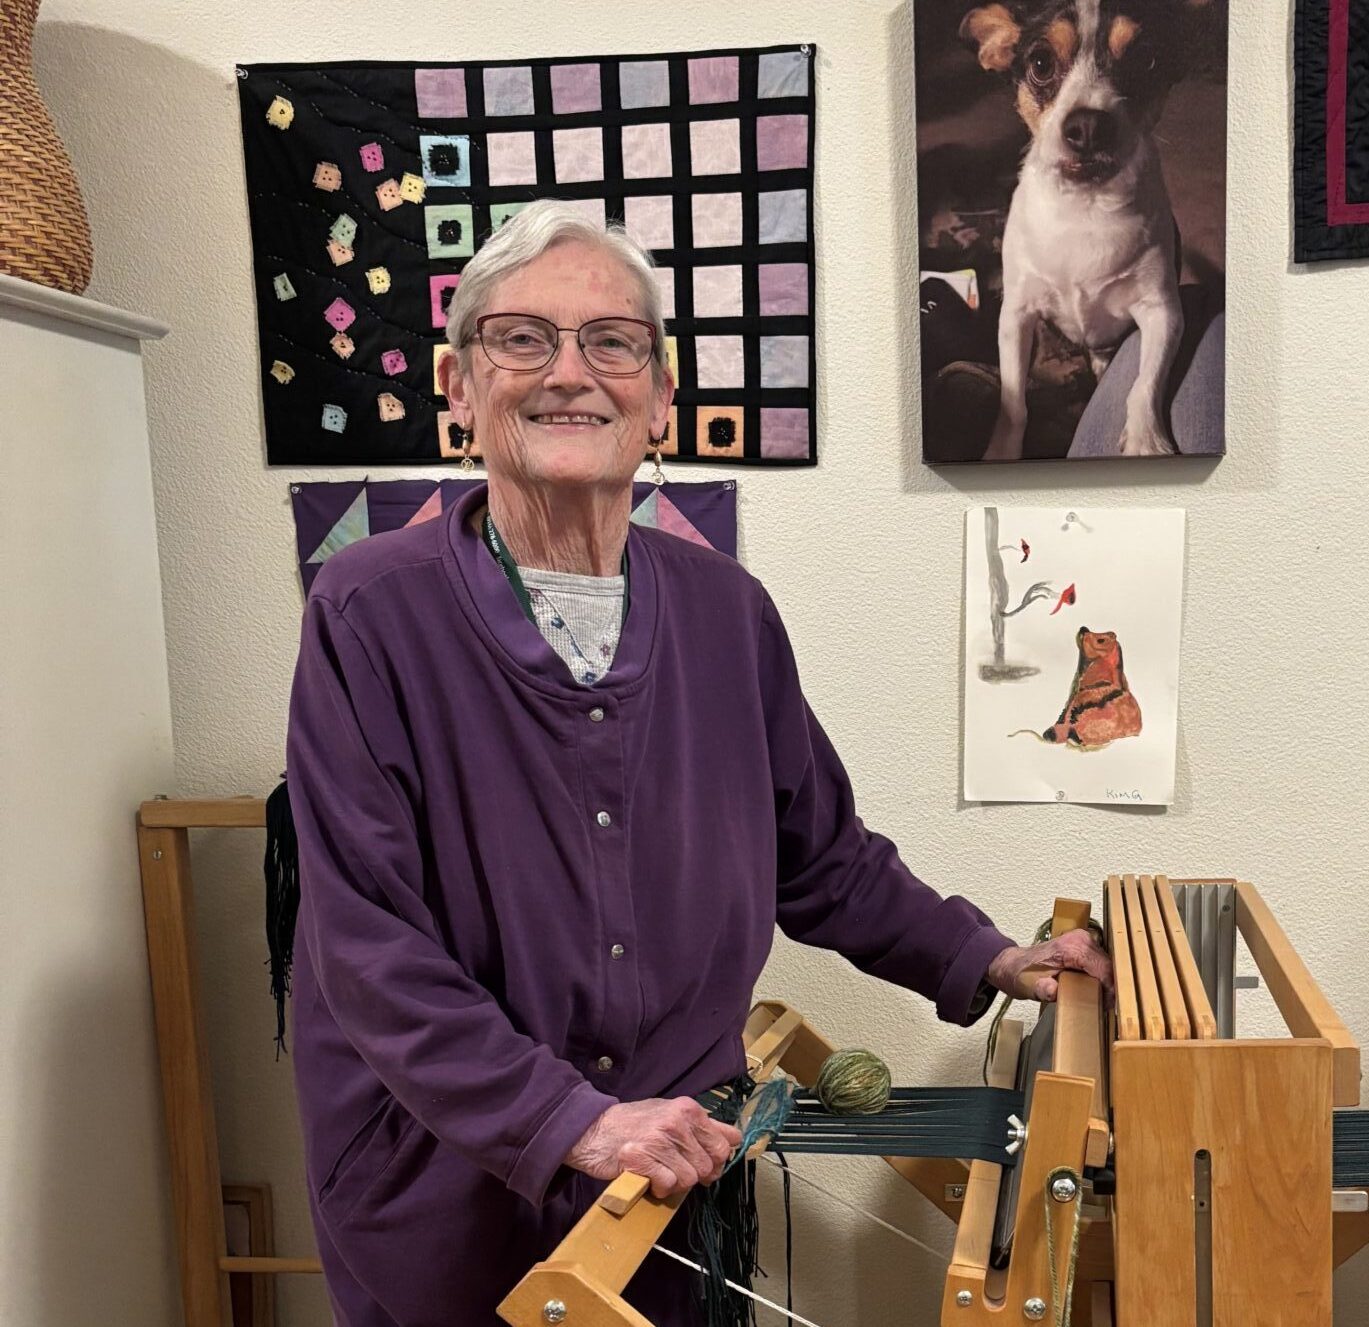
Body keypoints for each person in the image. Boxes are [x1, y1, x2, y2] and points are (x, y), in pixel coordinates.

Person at [284, 199, 1110, 1327]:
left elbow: (820, 854)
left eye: (612, 342)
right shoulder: (369, 611)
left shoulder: (728, 611)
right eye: (522, 338)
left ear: (661, 396)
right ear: (459, 386)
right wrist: (571, 1119)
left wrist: (986, 955)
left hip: (670, 1160)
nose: (569, 373)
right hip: (447, 1180)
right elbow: (367, 943)